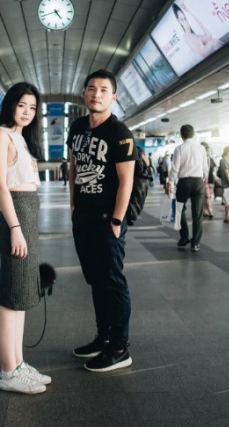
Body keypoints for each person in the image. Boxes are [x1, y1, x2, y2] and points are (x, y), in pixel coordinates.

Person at [68, 69, 136, 372]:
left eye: (104, 90)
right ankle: (103, 337)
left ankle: (120, 348)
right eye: (92, 88)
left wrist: (117, 221)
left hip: (108, 219)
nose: (97, 94)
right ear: (84, 93)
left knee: (112, 282)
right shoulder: (78, 126)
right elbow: (72, 166)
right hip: (82, 217)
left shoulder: (120, 133)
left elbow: (126, 181)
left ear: (114, 96)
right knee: (95, 281)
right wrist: (72, 203)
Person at [0, 82, 50, 395]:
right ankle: (7, 371)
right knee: (11, 298)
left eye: (33, 107)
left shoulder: (23, 138)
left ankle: (19, 364)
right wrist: (15, 227)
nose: (27, 112)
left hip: (27, 217)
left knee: (23, 295)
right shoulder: (1, 133)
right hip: (16, 218)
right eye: (22, 105)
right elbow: (0, 185)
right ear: (11, 105)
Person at [171, 125, 208, 252]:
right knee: (197, 214)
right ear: (194, 134)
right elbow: (205, 167)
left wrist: (170, 182)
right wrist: (204, 181)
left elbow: (175, 168)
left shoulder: (179, 148)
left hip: (184, 182)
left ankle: (184, 237)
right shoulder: (201, 148)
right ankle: (195, 243)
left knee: (179, 210)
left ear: (181, 135)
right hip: (198, 182)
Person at [200, 142, 216, 218]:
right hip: (203, 179)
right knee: (207, 196)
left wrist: (212, 156)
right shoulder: (199, 158)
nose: (207, 151)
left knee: (208, 196)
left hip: (211, 179)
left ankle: (205, 210)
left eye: (207, 149)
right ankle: (210, 211)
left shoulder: (211, 159)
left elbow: (214, 167)